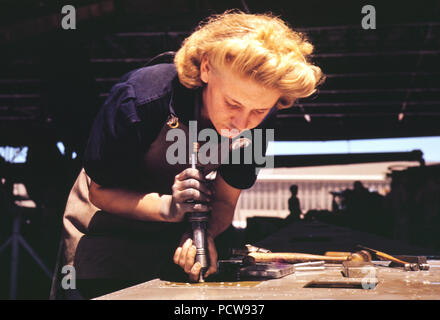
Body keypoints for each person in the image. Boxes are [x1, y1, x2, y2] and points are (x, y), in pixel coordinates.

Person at [57, 10, 324, 299]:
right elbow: (101, 192)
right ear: (207, 68)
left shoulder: (261, 122)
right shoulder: (140, 98)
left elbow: (224, 200)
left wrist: (204, 234)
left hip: (173, 235)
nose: (242, 123)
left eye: (258, 111)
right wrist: (169, 208)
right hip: (104, 226)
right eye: (232, 103)